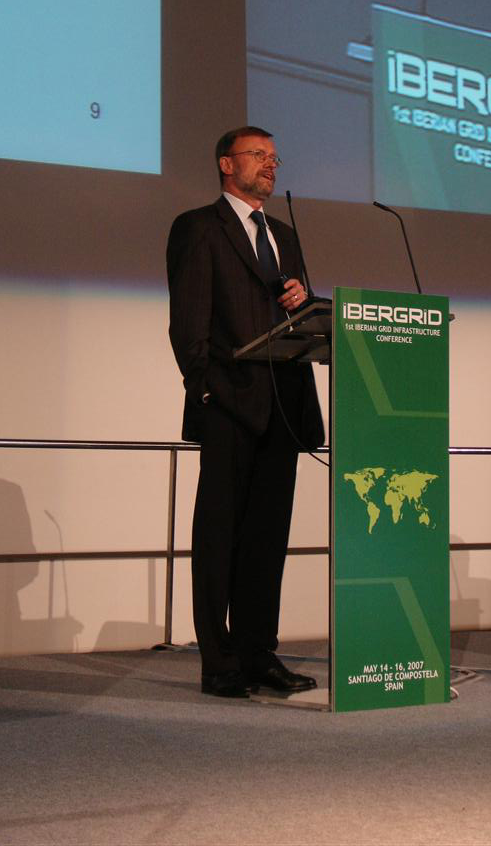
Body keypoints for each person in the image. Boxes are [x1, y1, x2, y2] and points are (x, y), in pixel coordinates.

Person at [167, 126, 325, 698]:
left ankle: (259, 653)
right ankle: (220, 661)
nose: (271, 164)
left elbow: (293, 315)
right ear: (226, 164)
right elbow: (188, 319)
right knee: (219, 538)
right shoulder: (198, 227)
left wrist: (301, 300)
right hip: (229, 404)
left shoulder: (284, 234)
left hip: (283, 404)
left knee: (266, 539)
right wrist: (204, 390)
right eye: (259, 155)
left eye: (275, 157)